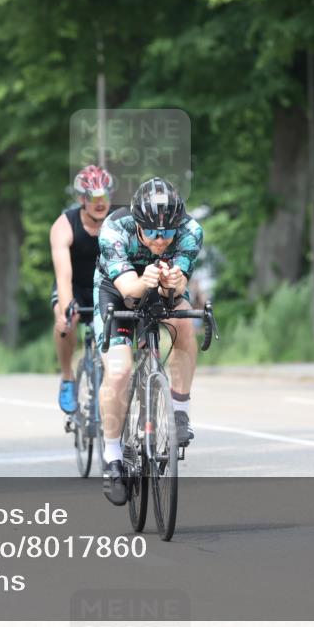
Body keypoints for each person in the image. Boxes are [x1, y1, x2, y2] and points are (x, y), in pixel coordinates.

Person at [95, 177, 203, 506]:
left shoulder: (190, 230)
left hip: (159, 286)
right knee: (119, 371)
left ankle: (180, 411)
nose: (160, 239)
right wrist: (146, 280)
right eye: (152, 232)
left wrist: (173, 282)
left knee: (184, 324)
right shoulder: (115, 229)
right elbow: (129, 290)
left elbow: (178, 286)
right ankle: (113, 457)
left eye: (167, 232)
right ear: (138, 223)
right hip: (118, 290)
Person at [50, 165, 116, 414]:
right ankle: (68, 377)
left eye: (104, 196)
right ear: (82, 199)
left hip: (106, 286)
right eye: (93, 197)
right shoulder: (64, 225)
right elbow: (63, 276)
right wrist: (67, 310)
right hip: (74, 286)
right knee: (66, 320)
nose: (100, 203)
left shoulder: (119, 221)